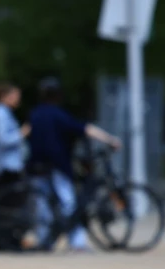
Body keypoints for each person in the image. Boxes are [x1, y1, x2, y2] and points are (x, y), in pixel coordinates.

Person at [26, 78, 121, 252]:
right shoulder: (58, 114)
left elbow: (28, 132)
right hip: (57, 163)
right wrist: (110, 139)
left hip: (36, 163)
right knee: (69, 202)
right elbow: (85, 129)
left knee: (42, 203)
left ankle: (44, 239)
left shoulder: (36, 113)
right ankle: (76, 241)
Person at [0, 82, 30, 182]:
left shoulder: (5, 112)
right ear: (4, 96)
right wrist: (22, 133)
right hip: (7, 167)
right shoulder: (0, 114)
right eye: (15, 96)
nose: (18, 99)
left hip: (11, 166)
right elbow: (2, 140)